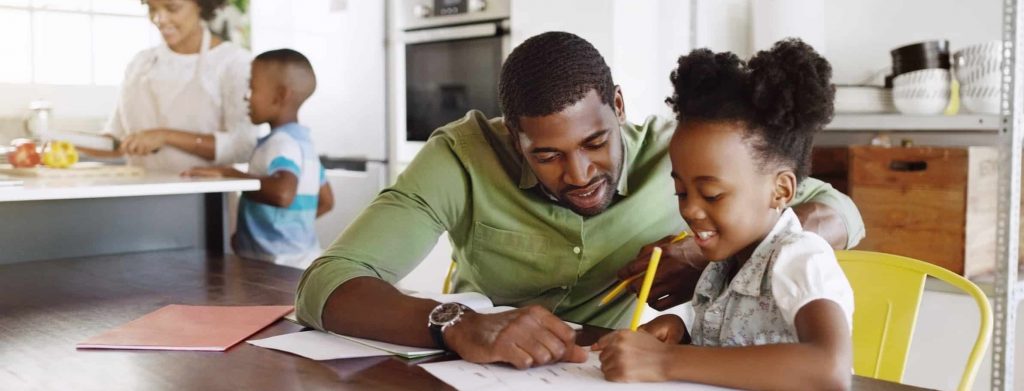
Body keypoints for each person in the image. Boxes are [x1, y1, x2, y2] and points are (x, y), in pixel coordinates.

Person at [295, 31, 863, 370]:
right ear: (511, 134)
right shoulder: (462, 156)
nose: (580, 174)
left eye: (596, 142)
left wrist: (715, 252)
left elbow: (837, 212)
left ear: (618, 105)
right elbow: (326, 283)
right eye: (545, 155)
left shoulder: (688, 157)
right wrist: (454, 322)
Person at [592, 39, 853, 390]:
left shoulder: (798, 257)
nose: (689, 209)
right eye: (681, 192)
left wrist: (667, 361)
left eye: (712, 195)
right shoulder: (724, 263)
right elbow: (740, 344)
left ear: (782, 190)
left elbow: (829, 369)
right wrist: (681, 333)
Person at [184, 49, 334, 269]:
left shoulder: (281, 143)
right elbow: (326, 201)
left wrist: (230, 174)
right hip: (302, 261)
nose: (246, 96)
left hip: (274, 264)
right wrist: (260, 234)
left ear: (280, 95)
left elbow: (282, 193)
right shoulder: (304, 144)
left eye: (252, 88)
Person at [85, 0, 257, 174]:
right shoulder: (140, 64)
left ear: (200, 4)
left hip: (202, 195)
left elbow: (242, 147)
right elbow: (116, 142)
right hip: (138, 194)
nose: (160, 19)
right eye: (152, 9)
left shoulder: (234, 63)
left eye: (172, 8)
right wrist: (66, 142)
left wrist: (165, 136)